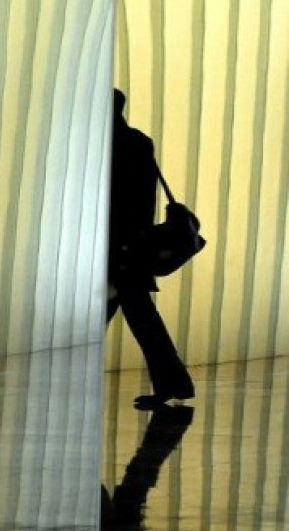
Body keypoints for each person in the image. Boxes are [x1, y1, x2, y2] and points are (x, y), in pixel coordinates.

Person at [108, 89, 195, 410]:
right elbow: (144, 198)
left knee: (128, 318)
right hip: (133, 244)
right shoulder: (139, 142)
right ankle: (174, 383)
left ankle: (174, 383)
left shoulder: (110, 145)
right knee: (143, 320)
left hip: (115, 246)